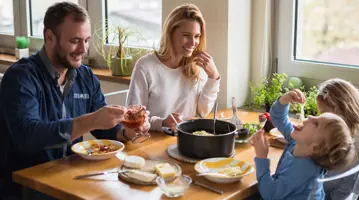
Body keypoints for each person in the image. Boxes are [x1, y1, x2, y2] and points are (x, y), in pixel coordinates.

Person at [0, 2, 149, 199]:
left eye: (86, 40)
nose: (83, 49)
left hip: (69, 179)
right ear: (50, 37)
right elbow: (27, 136)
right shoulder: (21, 77)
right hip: (27, 187)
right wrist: (91, 120)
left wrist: (126, 132)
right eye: (75, 40)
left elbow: (102, 127)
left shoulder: (85, 76)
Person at [126, 4, 220, 132]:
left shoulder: (197, 65)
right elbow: (133, 118)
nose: (193, 43)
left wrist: (213, 78)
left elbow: (202, 112)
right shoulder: (145, 66)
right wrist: (162, 122)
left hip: (188, 139)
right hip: (154, 141)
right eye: (186, 35)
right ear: (170, 33)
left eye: (197, 36)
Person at [249, 89, 357, 200]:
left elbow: (270, 194)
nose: (310, 117)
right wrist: (284, 100)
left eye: (316, 123)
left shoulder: (304, 168)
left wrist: (261, 157)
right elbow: (278, 118)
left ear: (315, 146)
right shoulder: (298, 142)